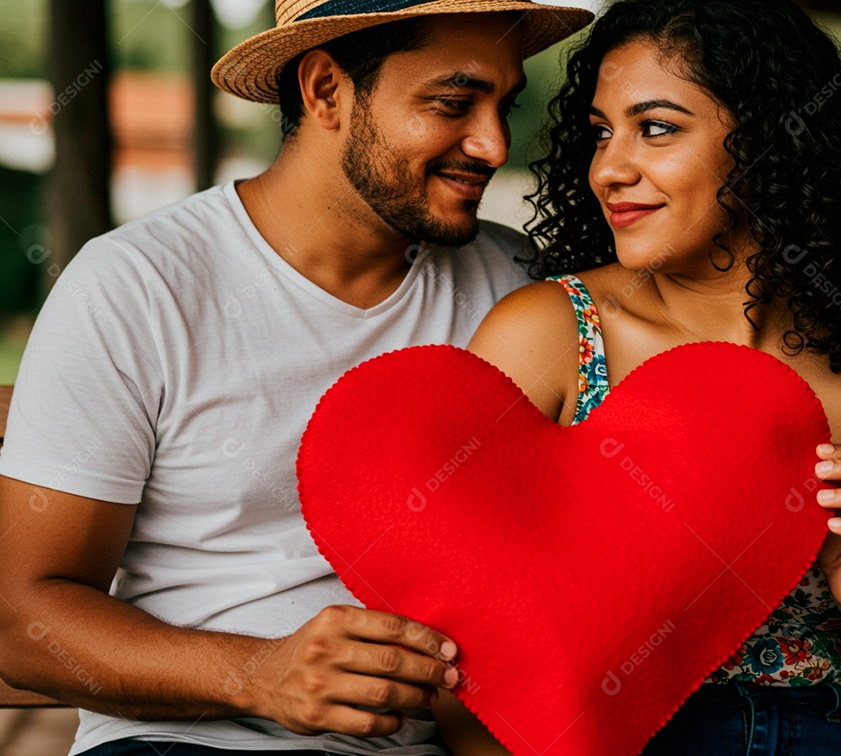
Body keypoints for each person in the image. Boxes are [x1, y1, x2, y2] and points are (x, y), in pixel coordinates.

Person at [0, 1, 593, 754]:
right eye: (452, 103)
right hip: (181, 743)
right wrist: (258, 674)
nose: (493, 144)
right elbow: (23, 621)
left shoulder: (522, 288)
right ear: (325, 90)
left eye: (503, 106)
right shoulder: (139, 286)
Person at [439, 0, 841, 752]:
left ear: (773, 141)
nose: (609, 169)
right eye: (602, 132)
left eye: (656, 128)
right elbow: (460, 667)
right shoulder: (548, 335)